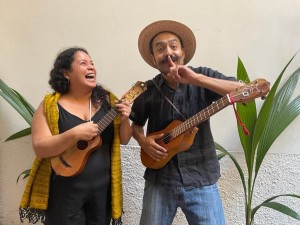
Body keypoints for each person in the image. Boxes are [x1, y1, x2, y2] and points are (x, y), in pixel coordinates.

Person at [130, 20, 242, 225]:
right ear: (154, 59)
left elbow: (240, 89)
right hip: (159, 178)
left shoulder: (203, 75)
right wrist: (143, 141)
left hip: (201, 178)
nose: (168, 53)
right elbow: (135, 125)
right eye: (160, 49)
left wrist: (197, 79)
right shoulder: (147, 90)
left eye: (173, 46)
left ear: (183, 51)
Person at [19, 47, 132, 225]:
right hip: (64, 194)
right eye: (83, 63)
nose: (91, 67)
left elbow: (124, 139)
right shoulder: (50, 105)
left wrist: (125, 120)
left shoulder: (110, 102)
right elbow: (40, 147)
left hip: (101, 193)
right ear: (66, 74)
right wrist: (73, 134)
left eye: (92, 63)